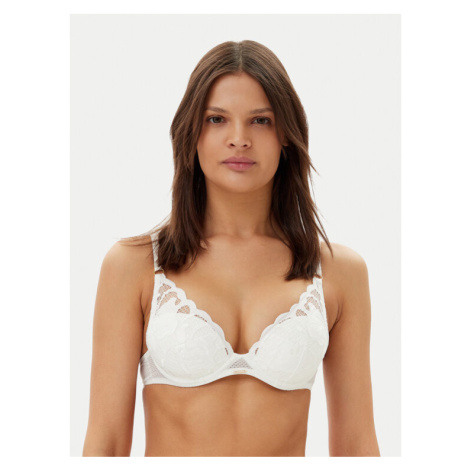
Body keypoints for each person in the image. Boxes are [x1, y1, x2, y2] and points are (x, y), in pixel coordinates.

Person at [82, 40, 380, 457]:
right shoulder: (134, 266)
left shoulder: (338, 273)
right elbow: (107, 444)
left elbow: (357, 447)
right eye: (217, 119)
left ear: (286, 135)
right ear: (192, 132)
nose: (239, 139)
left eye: (260, 120)